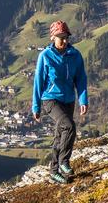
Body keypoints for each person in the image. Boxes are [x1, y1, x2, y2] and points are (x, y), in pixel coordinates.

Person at [32, 20, 88, 184]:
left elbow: (81, 79)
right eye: (60, 37)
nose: (64, 40)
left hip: (69, 100)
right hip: (50, 99)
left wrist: (83, 99)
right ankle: (64, 161)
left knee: (60, 136)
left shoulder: (75, 55)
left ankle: (54, 171)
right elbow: (38, 82)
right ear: (52, 37)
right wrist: (36, 106)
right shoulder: (45, 56)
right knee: (69, 126)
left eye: (66, 37)